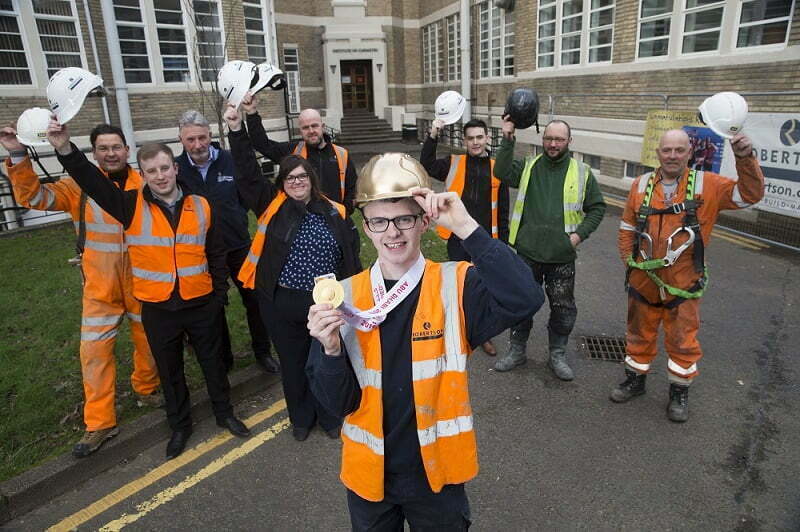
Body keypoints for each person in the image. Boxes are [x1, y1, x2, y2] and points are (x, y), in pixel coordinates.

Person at [306, 152, 543, 530]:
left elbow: (526, 298)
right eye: (379, 221)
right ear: (366, 227)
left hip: (437, 476)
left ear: (424, 221)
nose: (392, 233)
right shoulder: (344, 298)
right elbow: (336, 406)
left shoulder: (457, 285)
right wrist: (330, 350)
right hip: (370, 478)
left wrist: (466, 227)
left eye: (404, 218)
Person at [46, 121, 251, 460]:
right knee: (170, 372)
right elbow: (91, 181)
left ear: (175, 168)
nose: (159, 176)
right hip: (158, 308)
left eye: (164, 168)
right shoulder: (128, 205)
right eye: (151, 171)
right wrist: (65, 149)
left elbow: (216, 252)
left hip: (200, 303)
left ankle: (224, 413)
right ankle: (180, 426)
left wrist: (217, 295)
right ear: (142, 174)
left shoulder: (201, 205)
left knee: (213, 364)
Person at [0, 123, 161, 458]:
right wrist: (17, 154)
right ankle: (100, 422)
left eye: (116, 147)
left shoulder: (145, 183)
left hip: (142, 280)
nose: (111, 154)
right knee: (94, 353)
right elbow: (33, 197)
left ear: (127, 150)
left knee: (150, 340)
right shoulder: (78, 186)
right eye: (103, 148)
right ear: (94, 152)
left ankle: (147, 389)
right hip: (100, 287)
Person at [223, 104, 361, 442]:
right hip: (282, 302)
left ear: (311, 180)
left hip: (325, 303)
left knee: (326, 360)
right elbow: (247, 173)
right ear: (282, 183)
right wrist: (237, 130)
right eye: (290, 178)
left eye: (302, 177)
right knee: (293, 362)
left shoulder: (334, 210)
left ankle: (329, 416)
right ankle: (301, 418)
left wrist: (357, 293)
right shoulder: (271, 206)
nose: (297, 182)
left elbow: (350, 255)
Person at [614, 129, 764, 422]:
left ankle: (679, 392)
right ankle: (635, 380)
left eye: (679, 150)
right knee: (638, 335)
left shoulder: (708, 186)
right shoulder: (640, 184)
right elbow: (628, 227)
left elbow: (750, 194)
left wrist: (745, 158)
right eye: (667, 150)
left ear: (689, 153)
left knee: (682, 341)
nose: (672, 156)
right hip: (643, 281)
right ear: (658, 153)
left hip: (683, 284)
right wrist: (629, 265)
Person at [492, 118, 606, 380]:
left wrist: (578, 236)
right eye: (549, 138)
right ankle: (517, 351)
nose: (553, 144)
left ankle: (557, 354)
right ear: (542, 139)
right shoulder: (529, 166)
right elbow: (501, 171)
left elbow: (597, 208)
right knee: (521, 303)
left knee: (563, 308)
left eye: (559, 139)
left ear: (569, 141)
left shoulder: (581, 172)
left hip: (561, 257)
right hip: (527, 253)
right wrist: (507, 138)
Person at [175, 110, 279, 374]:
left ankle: (262, 351)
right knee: (213, 307)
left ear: (210, 135)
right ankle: (224, 359)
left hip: (238, 245)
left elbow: (247, 195)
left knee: (255, 299)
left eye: (202, 138)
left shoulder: (230, 161)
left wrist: (233, 217)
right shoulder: (176, 169)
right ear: (181, 139)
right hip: (202, 252)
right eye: (190, 140)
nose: (197, 145)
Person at [420, 117, 510, 357]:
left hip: (485, 239)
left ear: (487, 138)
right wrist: (434, 132)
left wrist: (503, 243)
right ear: (464, 140)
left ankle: (482, 334)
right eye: (470, 138)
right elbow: (427, 163)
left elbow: (503, 209)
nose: (475, 142)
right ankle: (457, 329)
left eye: (480, 137)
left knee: (483, 287)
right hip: (457, 239)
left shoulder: (497, 168)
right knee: (458, 285)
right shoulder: (453, 163)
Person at [238, 93, 358, 214]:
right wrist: (251, 112)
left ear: (322, 127)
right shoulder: (293, 152)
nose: (311, 131)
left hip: (335, 218)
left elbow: (352, 189)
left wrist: (344, 212)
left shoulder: (342, 155)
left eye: (314, 126)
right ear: (300, 130)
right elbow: (262, 144)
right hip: (301, 220)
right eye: (305, 127)